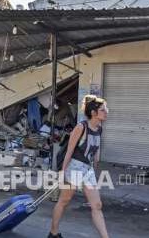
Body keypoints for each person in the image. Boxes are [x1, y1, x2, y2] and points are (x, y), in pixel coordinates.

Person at [48, 95, 110, 238]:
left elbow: (94, 151)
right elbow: (69, 150)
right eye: (103, 109)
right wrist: (63, 173)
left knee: (97, 205)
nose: (106, 112)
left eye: (106, 109)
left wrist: (94, 168)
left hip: (87, 170)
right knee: (64, 201)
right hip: (74, 168)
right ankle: (53, 232)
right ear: (94, 113)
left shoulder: (99, 128)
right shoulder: (81, 127)